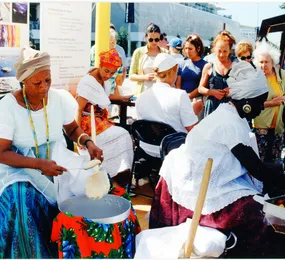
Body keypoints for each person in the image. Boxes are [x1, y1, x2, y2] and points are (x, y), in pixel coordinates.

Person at [149, 61, 285, 257]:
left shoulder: (233, 116)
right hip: (194, 186)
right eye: (260, 102)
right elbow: (257, 170)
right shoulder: (228, 122)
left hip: (199, 177)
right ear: (246, 103)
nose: (261, 108)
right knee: (257, 215)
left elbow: (253, 164)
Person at [0, 47, 103, 258]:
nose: (44, 87)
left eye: (47, 80)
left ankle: (79, 250)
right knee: (22, 198)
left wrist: (88, 141)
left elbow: (72, 129)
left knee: (95, 184)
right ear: (23, 81)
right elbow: (2, 152)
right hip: (21, 167)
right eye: (37, 83)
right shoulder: (8, 107)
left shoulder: (57, 98)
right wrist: (38, 164)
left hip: (57, 160)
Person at [76, 48, 133, 185]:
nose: (108, 75)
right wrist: (78, 137)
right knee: (123, 134)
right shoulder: (88, 82)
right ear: (100, 66)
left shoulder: (104, 81)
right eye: (106, 71)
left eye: (112, 73)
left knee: (124, 136)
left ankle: (114, 176)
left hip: (99, 119)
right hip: (87, 122)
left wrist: (121, 98)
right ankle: (112, 174)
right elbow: (78, 109)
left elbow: (105, 96)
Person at [253, 40, 285, 163]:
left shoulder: (283, 76)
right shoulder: (254, 79)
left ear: (273, 62)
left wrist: (284, 98)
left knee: (275, 159)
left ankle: (275, 181)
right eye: (261, 62)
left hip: (279, 126)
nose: (263, 65)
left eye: (266, 62)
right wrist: (271, 103)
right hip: (260, 125)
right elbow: (251, 104)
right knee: (260, 160)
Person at [136, 53, 198, 133]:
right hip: (175, 144)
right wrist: (195, 111)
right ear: (172, 72)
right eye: (176, 71)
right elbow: (193, 129)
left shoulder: (141, 97)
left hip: (146, 145)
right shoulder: (180, 95)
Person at [198, 31, 236, 116]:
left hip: (230, 107)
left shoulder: (236, 67)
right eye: (219, 51)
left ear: (230, 50)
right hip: (212, 107)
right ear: (214, 49)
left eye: (225, 51)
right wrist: (213, 92)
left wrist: (232, 91)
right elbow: (200, 88)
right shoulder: (209, 66)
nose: (222, 55)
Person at [129, 23, 168, 95]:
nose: (154, 42)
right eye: (151, 39)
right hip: (143, 92)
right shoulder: (139, 52)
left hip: (161, 93)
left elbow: (171, 75)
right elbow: (131, 76)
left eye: (156, 39)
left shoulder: (166, 53)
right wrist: (144, 77)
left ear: (160, 38)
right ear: (146, 37)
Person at [176, 34, 207, 117]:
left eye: (190, 49)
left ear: (198, 48)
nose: (187, 51)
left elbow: (202, 85)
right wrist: (181, 96)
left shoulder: (205, 65)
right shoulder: (182, 64)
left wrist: (189, 96)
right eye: (186, 48)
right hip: (182, 100)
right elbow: (178, 83)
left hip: (197, 101)